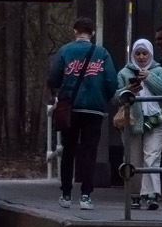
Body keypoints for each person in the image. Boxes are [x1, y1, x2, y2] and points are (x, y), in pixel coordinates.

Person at [45, 17, 118, 211]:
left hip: (71, 108)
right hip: (94, 109)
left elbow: (53, 78)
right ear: (92, 33)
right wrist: (103, 99)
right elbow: (111, 82)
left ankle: (66, 194)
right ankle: (86, 196)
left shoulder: (65, 51)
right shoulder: (102, 53)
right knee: (89, 151)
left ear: (75, 31)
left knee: (68, 150)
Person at [115, 39, 162, 211]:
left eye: (144, 53)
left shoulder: (159, 71)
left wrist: (149, 77)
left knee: (152, 157)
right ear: (133, 54)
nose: (141, 57)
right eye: (138, 53)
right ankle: (134, 194)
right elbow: (115, 97)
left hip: (155, 120)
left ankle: (151, 194)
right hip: (132, 121)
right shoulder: (124, 73)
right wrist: (127, 90)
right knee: (132, 159)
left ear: (150, 54)